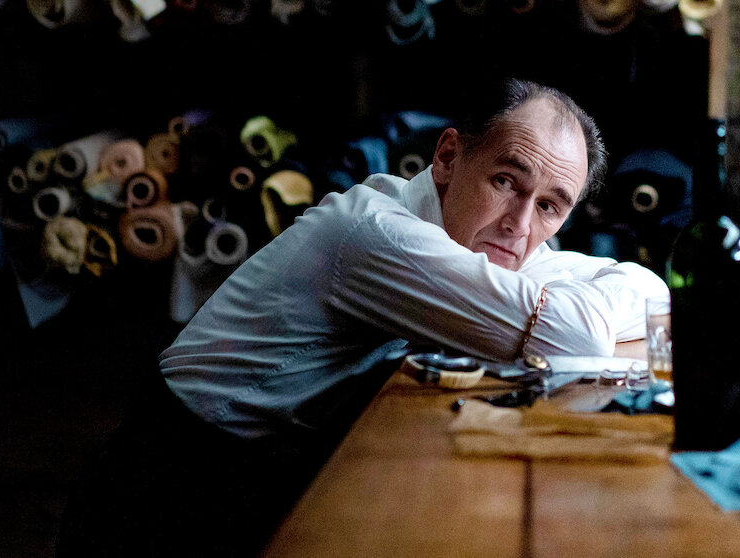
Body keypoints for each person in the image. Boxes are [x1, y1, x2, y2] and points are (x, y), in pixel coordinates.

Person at [55, 79, 669, 557]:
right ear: (448, 157)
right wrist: (585, 306)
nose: (521, 224)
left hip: (260, 473)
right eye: (507, 181)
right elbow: (571, 336)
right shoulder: (376, 234)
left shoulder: (479, 235)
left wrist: (591, 297)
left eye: (551, 207)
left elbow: (653, 293)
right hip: (168, 492)